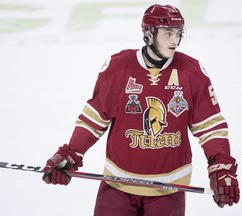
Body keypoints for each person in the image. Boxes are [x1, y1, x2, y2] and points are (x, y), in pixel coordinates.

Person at [42, 4, 240, 216]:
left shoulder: (192, 72)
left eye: (178, 33)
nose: (175, 41)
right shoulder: (119, 67)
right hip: (117, 186)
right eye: (168, 33)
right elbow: (94, 119)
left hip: (168, 189)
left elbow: (211, 128)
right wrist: (71, 154)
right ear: (148, 34)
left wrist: (221, 165)